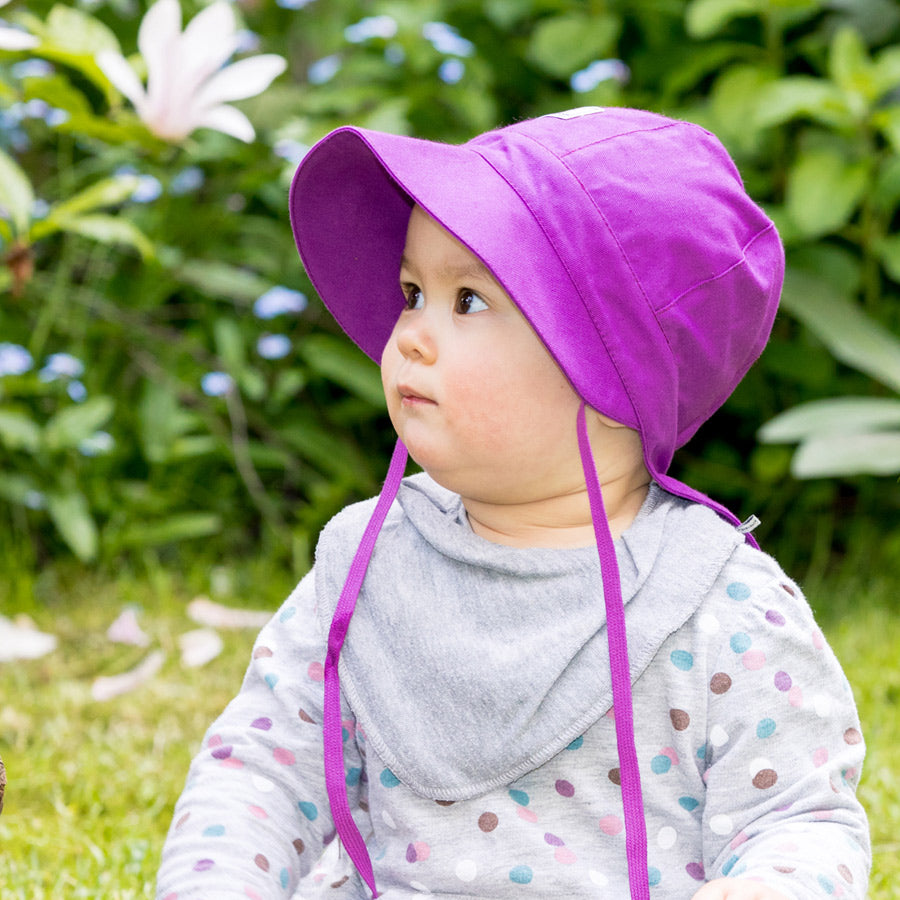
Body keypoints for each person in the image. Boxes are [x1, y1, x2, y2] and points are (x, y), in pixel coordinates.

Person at [156, 107, 870, 900]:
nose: (410, 334)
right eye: (412, 291)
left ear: (609, 374)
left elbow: (796, 825)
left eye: (467, 301)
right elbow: (260, 774)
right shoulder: (366, 570)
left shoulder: (718, 606)